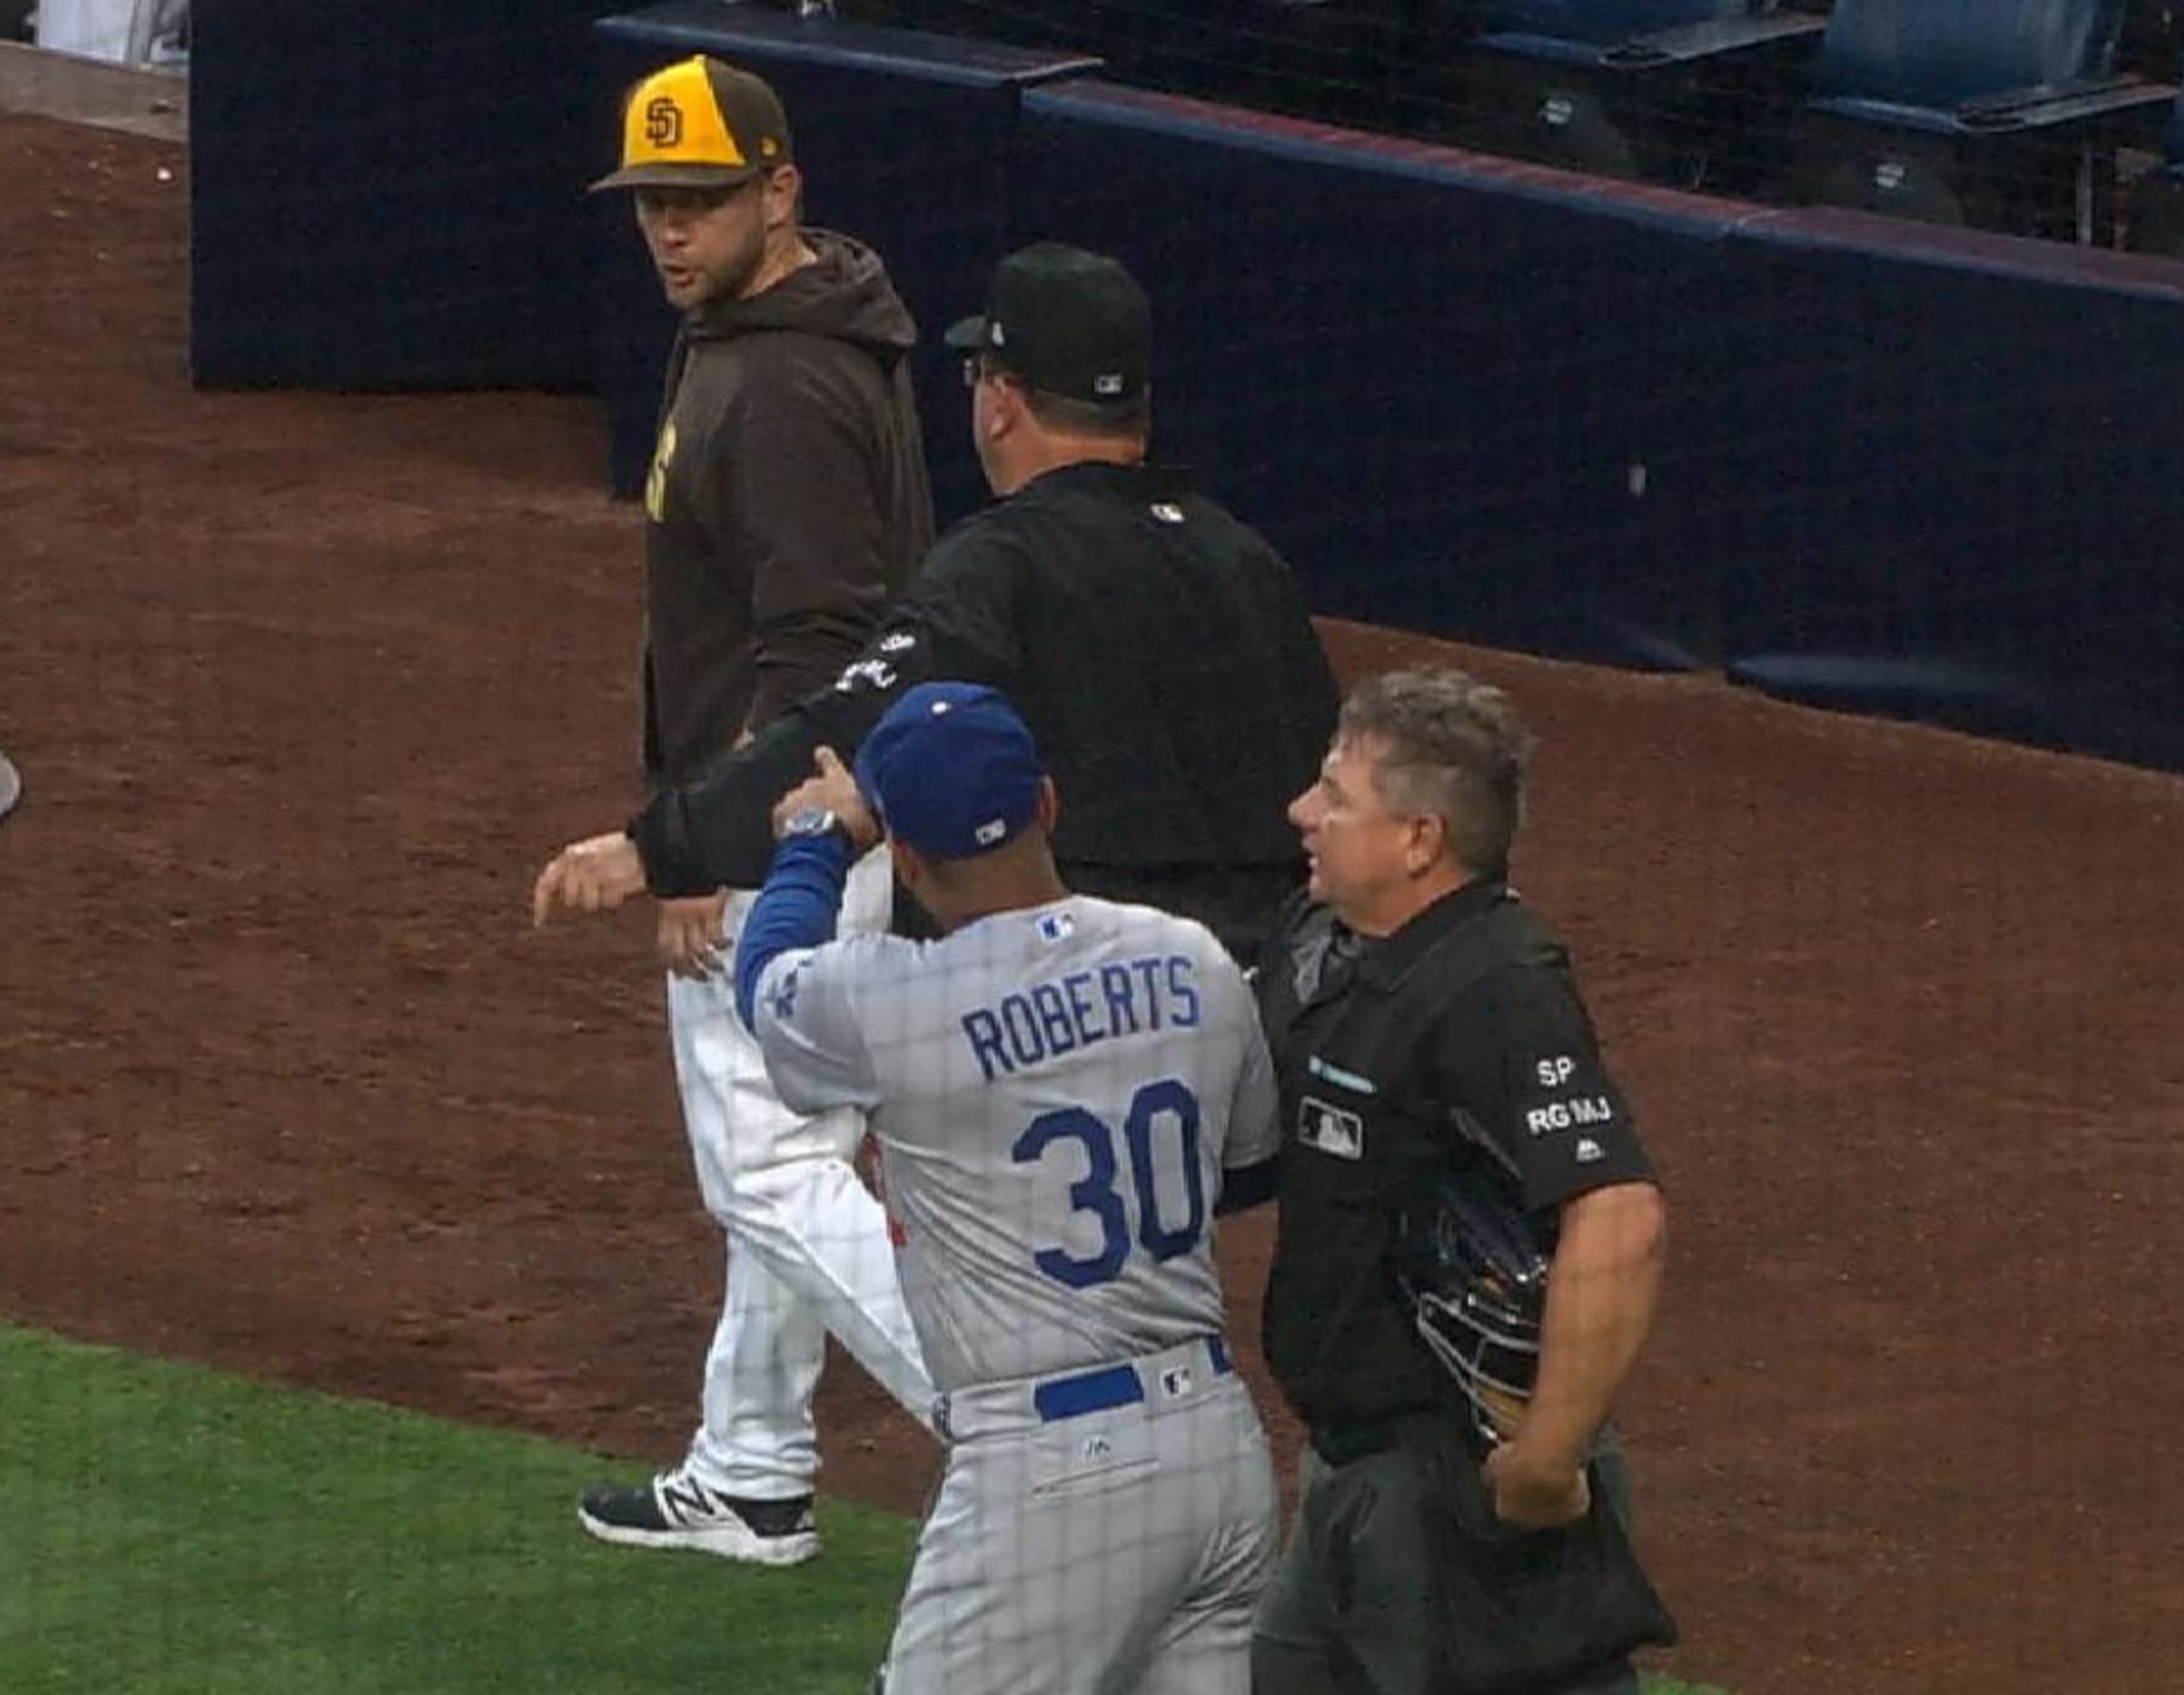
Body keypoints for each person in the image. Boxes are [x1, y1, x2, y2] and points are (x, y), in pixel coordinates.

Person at [534, 239, 1341, 967]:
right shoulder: (1249, 562)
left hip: (1082, 997)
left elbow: (847, 727)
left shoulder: (998, 565)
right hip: (1251, 1002)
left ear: (1001, 401)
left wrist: (660, 848)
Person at [564, 52, 940, 1567]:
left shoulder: (778, 382)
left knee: (771, 1167)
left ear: (779, 192)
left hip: (787, 831)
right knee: (793, 1147)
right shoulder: (773, 327)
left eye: (701, 201)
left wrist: (716, 850)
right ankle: (753, 1462)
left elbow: (819, 648)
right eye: (652, 202)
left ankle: (1021, 1435)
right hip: (825, 818)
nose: (670, 230)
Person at [732, 682, 1280, 1694]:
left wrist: (813, 837)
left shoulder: (887, 997)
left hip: (1057, 1477)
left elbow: (765, 983)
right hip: (1218, 1454)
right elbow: (1242, 1171)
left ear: (902, 857)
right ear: (1050, 805)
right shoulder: (1190, 956)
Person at [1242, 667, 1677, 1695]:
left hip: (1454, 1486)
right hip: (1356, 1469)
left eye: (1335, 797)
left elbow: (1619, 1214)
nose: (1303, 813)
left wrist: (1544, 1463)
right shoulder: (1345, 953)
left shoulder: (1495, 988)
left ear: (1419, 841)